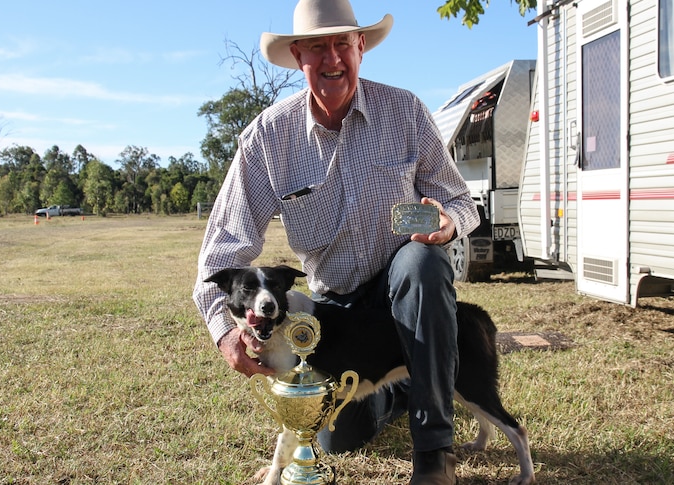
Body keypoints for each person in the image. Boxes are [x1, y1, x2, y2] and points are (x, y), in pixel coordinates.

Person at [192, 1, 480, 483]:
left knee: (422, 263)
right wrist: (224, 330)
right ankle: (405, 381)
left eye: (342, 44)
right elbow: (222, 253)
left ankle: (434, 452)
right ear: (298, 55)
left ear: (360, 47)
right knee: (335, 439)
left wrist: (448, 222)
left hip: (401, 289)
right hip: (332, 308)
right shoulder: (268, 138)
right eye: (317, 47)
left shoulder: (405, 112)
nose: (332, 59)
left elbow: (460, 199)